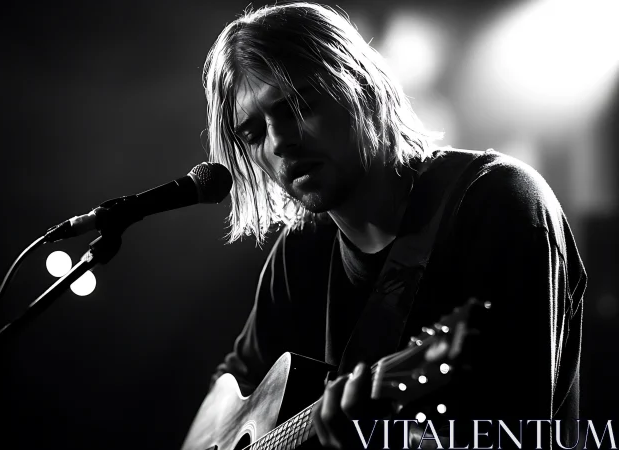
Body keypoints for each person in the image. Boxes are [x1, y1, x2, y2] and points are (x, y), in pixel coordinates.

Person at [189, 2, 587, 449]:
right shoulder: (300, 252)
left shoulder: (495, 203)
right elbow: (225, 405)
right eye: (254, 134)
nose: (280, 141)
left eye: (298, 106)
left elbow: (519, 436)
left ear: (360, 86)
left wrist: (389, 440)